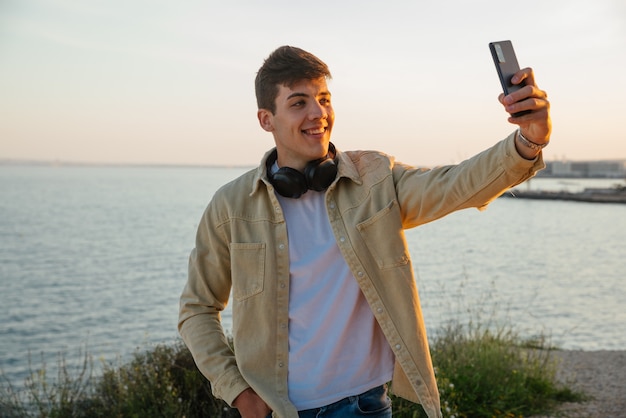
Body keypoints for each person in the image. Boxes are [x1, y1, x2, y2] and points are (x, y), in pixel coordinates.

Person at [178, 45, 551, 418]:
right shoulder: (231, 207)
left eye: (324, 99)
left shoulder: (373, 178)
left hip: (366, 406)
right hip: (281, 410)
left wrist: (528, 141)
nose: (318, 114)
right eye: (299, 103)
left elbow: (454, 184)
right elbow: (197, 309)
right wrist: (240, 393)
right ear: (266, 119)